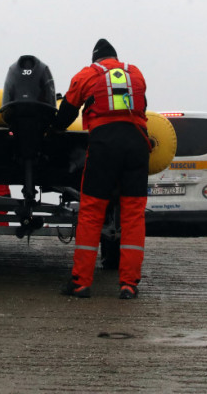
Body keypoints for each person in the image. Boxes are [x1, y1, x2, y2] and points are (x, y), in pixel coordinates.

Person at [51, 38, 150, 300]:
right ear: (116, 58)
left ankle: (81, 283)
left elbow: (66, 114)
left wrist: (54, 129)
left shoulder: (88, 74)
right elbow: (142, 106)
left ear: (95, 59)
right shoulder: (135, 73)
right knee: (133, 215)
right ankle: (129, 284)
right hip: (137, 144)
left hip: (104, 145)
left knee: (92, 211)